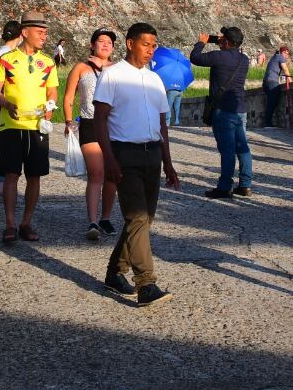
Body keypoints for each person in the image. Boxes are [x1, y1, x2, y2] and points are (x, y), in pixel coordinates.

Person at [96, 22, 179, 306]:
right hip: (124, 154)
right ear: (130, 43)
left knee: (143, 219)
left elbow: (162, 125)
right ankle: (146, 284)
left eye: (154, 45)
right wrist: (108, 159)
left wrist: (168, 163)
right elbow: (99, 120)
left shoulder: (155, 79)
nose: (150, 50)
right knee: (138, 218)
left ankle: (114, 272)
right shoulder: (112, 76)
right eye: (146, 44)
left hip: (152, 154)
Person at [0, 12, 56, 244]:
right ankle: (9, 224)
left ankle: (26, 222)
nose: (44, 37)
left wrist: (51, 105)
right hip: (11, 125)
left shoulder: (48, 62)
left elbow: (52, 89)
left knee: (34, 175)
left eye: (45, 33)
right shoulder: (6, 59)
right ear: (25, 33)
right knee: (11, 174)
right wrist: (6, 103)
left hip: (37, 125)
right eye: (40, 32)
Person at [63, 28, 119, 241]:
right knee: (96, 173)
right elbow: (68, 97)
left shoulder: (117, 69)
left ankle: (106, 217)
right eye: (101, 41)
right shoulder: (81, 67)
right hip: (89, 123)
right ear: (92, 44)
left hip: (114, 125)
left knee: (113, 175)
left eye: (109, 43)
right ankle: (93, 221)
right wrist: (68, 121)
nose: (105, 45)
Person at [191, 27, 254, 198]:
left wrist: (202, 42)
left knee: (227, 150)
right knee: (242, 148)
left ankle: (225, 186)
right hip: (240, 109)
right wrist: (222, 42)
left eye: (222, 38)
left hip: (223, 110)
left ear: (226, 41)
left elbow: (195, 58)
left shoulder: (219, 56)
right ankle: (245, 185)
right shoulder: (244, 59)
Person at [0, 20, 23, 197]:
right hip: (3, 102)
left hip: (7, 101)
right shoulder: (5, 53)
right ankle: (1, 181)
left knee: (7, 142)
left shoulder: (10, 51)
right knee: (4, 143)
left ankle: (2, 180)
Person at [262, 46, 292, 128]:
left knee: (270, 102)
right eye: (286, 54)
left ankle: (267, 122)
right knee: (272, 103)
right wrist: (290, 80)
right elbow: (285, 69)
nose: (287, 56)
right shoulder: (280, 57)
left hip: (266, 82)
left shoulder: (274, 57)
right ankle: (268, 123)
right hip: (272, 82)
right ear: (283, 52)